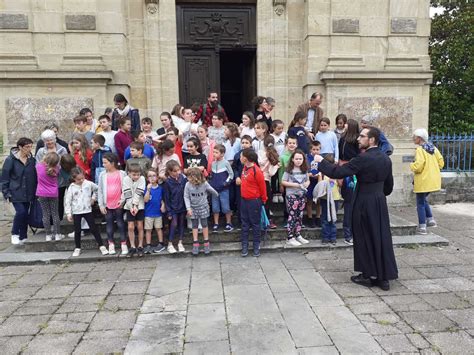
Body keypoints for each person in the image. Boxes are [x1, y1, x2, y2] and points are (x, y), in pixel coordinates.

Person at [313, 126, 397, 291]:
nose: (358, 139)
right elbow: (389, 187)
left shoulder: (363, 159)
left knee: (364, 237)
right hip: (379, 201)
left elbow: (338, 172)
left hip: (364, 200)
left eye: (362, 136)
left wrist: (320, 161)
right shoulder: (386, 158)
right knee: (381, 236)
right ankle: (383, 277)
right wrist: (378, 194)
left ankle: (367, 275)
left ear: (371, 140)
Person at [65, 167, 108, 257]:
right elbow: (68, 201)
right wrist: (69, 213)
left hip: (87, 210)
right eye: (78, 179)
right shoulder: (72, 187)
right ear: (74, 179)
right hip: (77, 211)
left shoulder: (88, 184)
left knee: (93, 228)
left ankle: (101, 245)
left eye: (82, 178)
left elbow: (97, 189)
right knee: (77, 230)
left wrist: (93, 198)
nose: (81, 181)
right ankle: (77, 247)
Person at [1, 138, 37, 245]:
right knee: (21, 212)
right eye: (27, 147)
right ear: (20, 147)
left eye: (31, 146)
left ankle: (23, 236)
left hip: (29, 192)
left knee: (25, 214)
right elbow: (4, 178)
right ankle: (14, 233)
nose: (29, 149)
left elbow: (35, 176)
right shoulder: (10, 160)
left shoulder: (32, 160)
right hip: (16, 192)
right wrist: (6, 192)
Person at [410, 128, 444, 235]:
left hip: (423, 180)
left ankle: (422, 227)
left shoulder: (420, 150)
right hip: (433, 180)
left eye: (414, 137)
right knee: (423, 200)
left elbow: (419, 166)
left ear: (419, 139)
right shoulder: (433, 148)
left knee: (420, 203)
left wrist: (412, 165)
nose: (413, 139)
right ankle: (430, 220)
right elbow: (441, 163)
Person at [239, 148, 267, 257]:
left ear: (245, 158)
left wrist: (263, 200)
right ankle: (244, 246)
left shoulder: (257, 170)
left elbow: (262, 187)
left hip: (254, 201)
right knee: (244, 224)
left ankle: (256, 246)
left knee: (255, 224)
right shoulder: (244, 168)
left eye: (241, 156)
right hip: (244, 200)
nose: (240, 158)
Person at [184, 167, 219, 256]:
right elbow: (186, 197)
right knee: (194, 225)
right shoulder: (187, 185)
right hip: (193, 208)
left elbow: (212, 190)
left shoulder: (204, 184)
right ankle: (195, 242)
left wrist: (215, 194)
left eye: (189, 176)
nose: (188, 178)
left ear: (195, 177)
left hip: (203, 207)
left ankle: (206, 242)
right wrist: (188, 208)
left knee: (204, 224)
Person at [98, 153, 127, 256]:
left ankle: (124, 243)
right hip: (107, 204)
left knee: (120, 223)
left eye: (105, 163)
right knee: (109, 225)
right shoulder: (102, 175)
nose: (103, 165)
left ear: (112, 163)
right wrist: (101, 205)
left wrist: (122, 200)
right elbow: (100, 190)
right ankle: (111, 244)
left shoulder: (122, 174)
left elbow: (125, 188)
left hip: (118, 204)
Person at [281, 150, 310, 246]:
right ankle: (290, 237)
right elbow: (283, 182)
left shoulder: (304, 170)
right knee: (292, 216)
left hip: (302, 195)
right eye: (296, 158)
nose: (298, 160)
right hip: (291, 196)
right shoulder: (289, 170)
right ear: (292, 159)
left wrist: (306, 184)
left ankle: (298, 234)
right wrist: (295, 185)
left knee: (300, 216)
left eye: (300, 159)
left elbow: (308, 181)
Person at [339, 118, 360, 244]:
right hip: (346, 172)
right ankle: (348, 233)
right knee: (349, 203)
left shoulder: (356, 140)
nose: (344, 125)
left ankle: (354, 232)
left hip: (354, 172)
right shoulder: (343, 138)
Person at [314, 154, 343, 245]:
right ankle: (325, 237)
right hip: (325, 198)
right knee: (325, 218)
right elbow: (319, 185)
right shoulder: (321, 174)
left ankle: (333, 237)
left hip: (335, 198)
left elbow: (340, 184)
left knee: (333, 218)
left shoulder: (336, 172)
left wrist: (336, 177)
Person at [36, 152, 64, 242]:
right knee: (55, 214)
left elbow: (40, 162)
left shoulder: (38, 166)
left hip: (41, 193)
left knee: (45, 214)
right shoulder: (57, 169)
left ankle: (48, 235)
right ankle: (57, 234)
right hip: (53, 193)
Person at [121, 163, 146, 257]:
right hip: (129, 206)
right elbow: (127, 194)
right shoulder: (126, 180)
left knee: (140, 226)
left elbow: (139, 192)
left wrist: (135, 205)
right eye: (134, 175)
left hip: (139, 205)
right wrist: (131, 207)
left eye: (138, 174)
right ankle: (132, 246)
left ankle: (140, 246)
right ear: (129, 173)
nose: (136, 176)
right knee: (130, 226)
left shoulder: (142, 179)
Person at [163, 160, 187, 254]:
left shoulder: (183, 179)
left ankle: (180, 242)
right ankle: (170, 243)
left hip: (182, 206)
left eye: (178, 170)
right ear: (169, 171)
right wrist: (168, 211)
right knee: (174, 224)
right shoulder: (168, 182)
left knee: (181, 224)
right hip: (173, 208)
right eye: (175, 171)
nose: (178, 172)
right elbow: (166, 198)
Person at [209, 144, 234, 232]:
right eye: (213, 152)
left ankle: (229, 223)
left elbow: (231, 174)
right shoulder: (213, 163)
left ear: (222, 154)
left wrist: (226, 183)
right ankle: (216, 223)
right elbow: (211, 175)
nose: (214, 154)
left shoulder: (226, 163)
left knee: (225, 207)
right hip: (214, 190)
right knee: (215, 208)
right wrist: (211, 183)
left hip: (224, 189)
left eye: (216, 152)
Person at [258, 135, 279, 229]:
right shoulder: (272, 154)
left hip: (257, 180)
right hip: (266, 181)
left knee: (259, 201)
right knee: (267, 201)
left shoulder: (259, 153)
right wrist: (277, 166)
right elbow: (271, 173)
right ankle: (267, 221)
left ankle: (260, 221)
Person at [144, 169, 166, 254]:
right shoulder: (146, 188)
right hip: (148, 213)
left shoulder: (160, 188)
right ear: (147, 178)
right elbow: (145, 200)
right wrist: (148, 190)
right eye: (150, 176)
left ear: (157, 177)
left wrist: (163, 205)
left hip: (158, 213)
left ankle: (161, 243)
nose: (152, 178)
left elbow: (162, 199)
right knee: (148, 229)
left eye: (154, 176)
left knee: (158, 228)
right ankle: (148, 244)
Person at [306, 140, 322, 227]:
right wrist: (309, 174)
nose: (316, 151)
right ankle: (310, 218)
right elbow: (305, 169)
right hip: (310, 181)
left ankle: (318, 217)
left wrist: (319, 175)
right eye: (314, 149)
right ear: (310, 150)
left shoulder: (321, 158)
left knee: (319, 200)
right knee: (309, 200)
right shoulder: (307, 158)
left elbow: (324, 169)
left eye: (317, 149)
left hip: (318, 181)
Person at [271, 119, 286, 203]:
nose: (281, 130)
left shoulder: (284, 135)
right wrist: (275, 159)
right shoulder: (271, 137)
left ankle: (281, 193)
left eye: (282, 128)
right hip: (275, 160)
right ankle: (274, 193)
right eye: (279, 128)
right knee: (274, 177)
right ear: (274, 128)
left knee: (282, 176)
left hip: (282, 159)